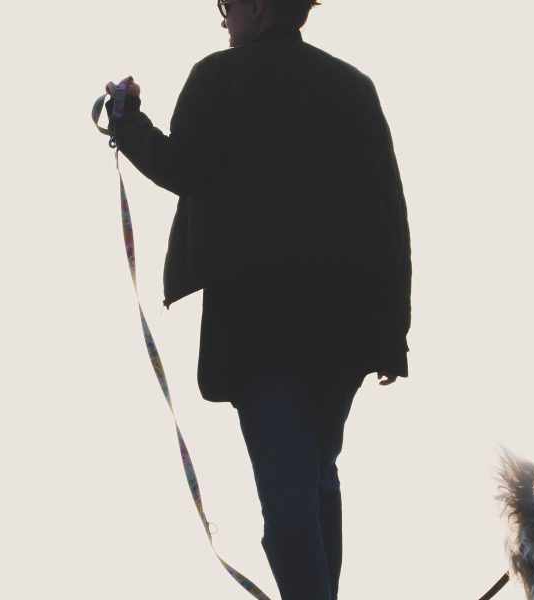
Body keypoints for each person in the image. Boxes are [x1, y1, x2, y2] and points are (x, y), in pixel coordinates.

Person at [104, 1, 411, 598]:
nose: (222, 17)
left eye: (227, 3)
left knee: (288, 513)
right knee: (316, 481)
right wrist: (393, 332)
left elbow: (180, 165)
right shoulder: (354, 88)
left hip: (259, 331)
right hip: (344, 333)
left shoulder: (219, 76)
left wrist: (126, 121)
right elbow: (389, 214)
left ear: (260, 6)